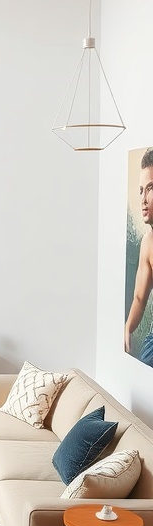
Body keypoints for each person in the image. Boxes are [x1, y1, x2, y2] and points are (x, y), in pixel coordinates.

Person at [125, 148, 153, 365]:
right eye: (141, 190)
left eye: (150, 188)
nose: (143, 199)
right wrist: (127, 329)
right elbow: (139, 298)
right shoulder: (148, 242)